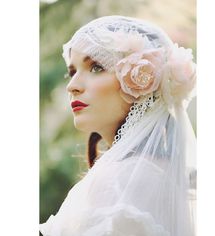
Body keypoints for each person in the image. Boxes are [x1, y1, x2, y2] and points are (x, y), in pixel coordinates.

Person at [40, 15, 196, 236]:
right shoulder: (161, 175)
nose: (72, 86)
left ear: (144, 82)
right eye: (72, 72)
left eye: (96, 67)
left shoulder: (120, 180)